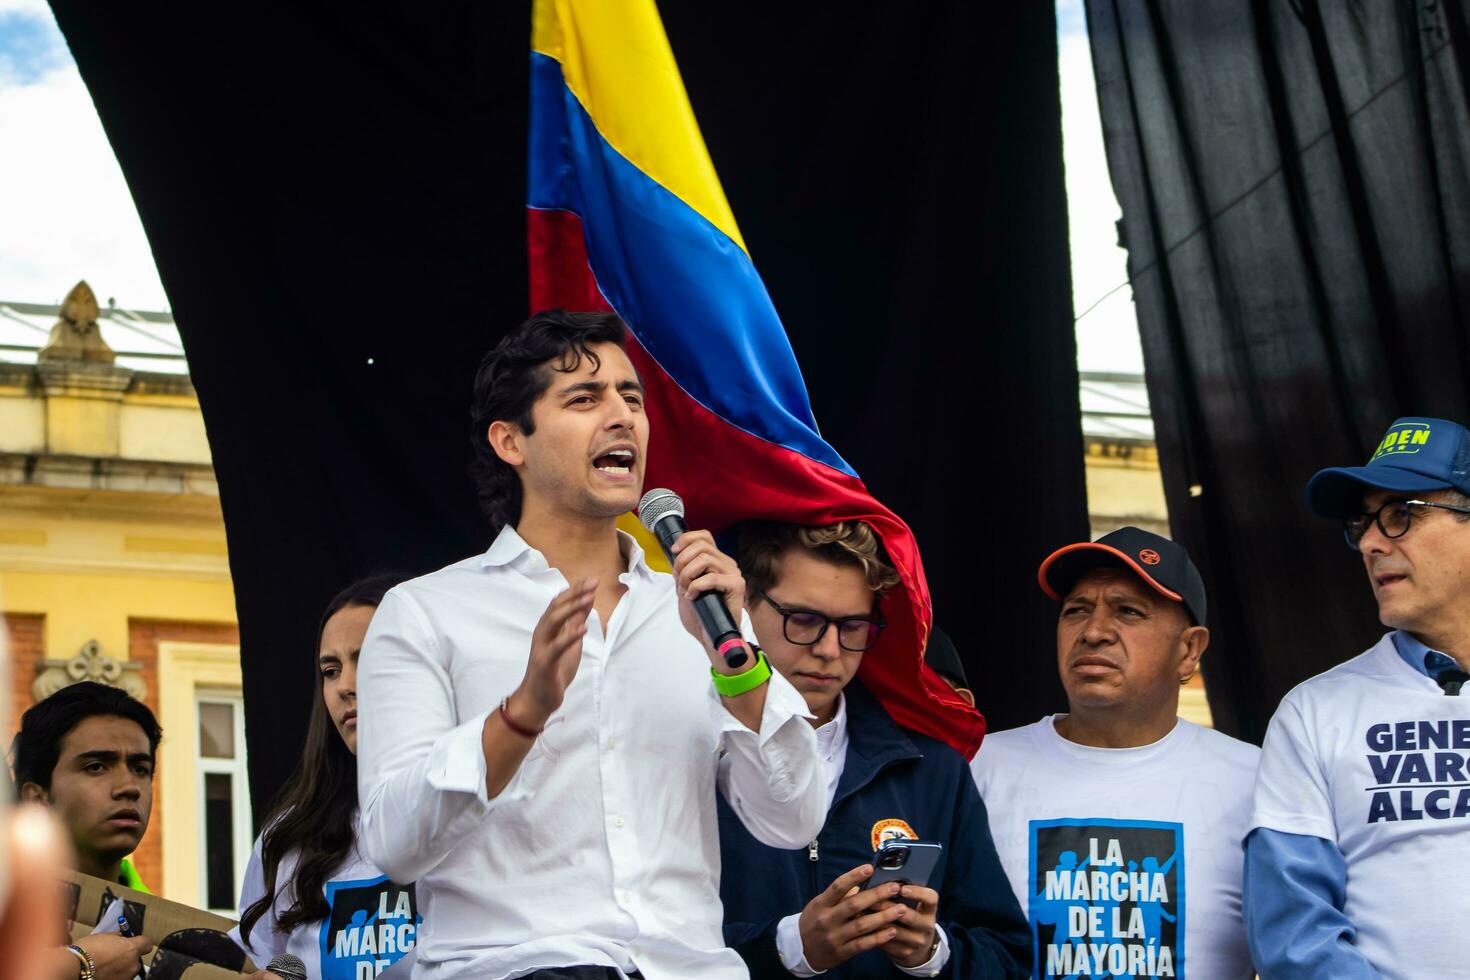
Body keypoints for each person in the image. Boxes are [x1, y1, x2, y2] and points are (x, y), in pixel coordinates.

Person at [355, 309, 826, 979]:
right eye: (585, 398)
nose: (622, 416)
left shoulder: (695, 610)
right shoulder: (426, 614)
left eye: (631, 399)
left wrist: (736, 665)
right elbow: (395, 846)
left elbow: (794, 818)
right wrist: (521, 714)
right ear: (510, 441)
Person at [719, 519, 1030, 979]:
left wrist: (931, 953)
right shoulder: (684, 752)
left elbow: (1007, 959)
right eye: (803, 620)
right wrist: (786, 949)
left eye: (854, 627)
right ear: (742, 605)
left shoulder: (934, 770)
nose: (829, 649)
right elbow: (631, 951)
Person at [971, 527, 1259, 979]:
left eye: (1128, 611)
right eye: (1076, 611)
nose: (1094, 632)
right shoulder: (979, 767)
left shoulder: (1254, 780)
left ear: (1189, 650)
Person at [1245, 416, 1470, 979]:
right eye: (1361, 522)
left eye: (1401, 516)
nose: (1370, 542)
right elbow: (1294, 932)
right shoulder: (1315, 712)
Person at [231, 574, 419, 979]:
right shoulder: (289, 834)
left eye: (368, 660)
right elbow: (260, 960)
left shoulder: (472, 807)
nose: (345, 687)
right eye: (330, 670)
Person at [11, 682, 157, 980]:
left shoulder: (174, 934)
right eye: (96, 767)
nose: (129, 787)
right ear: (37, 799)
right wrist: (78, 966)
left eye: (140, 769)